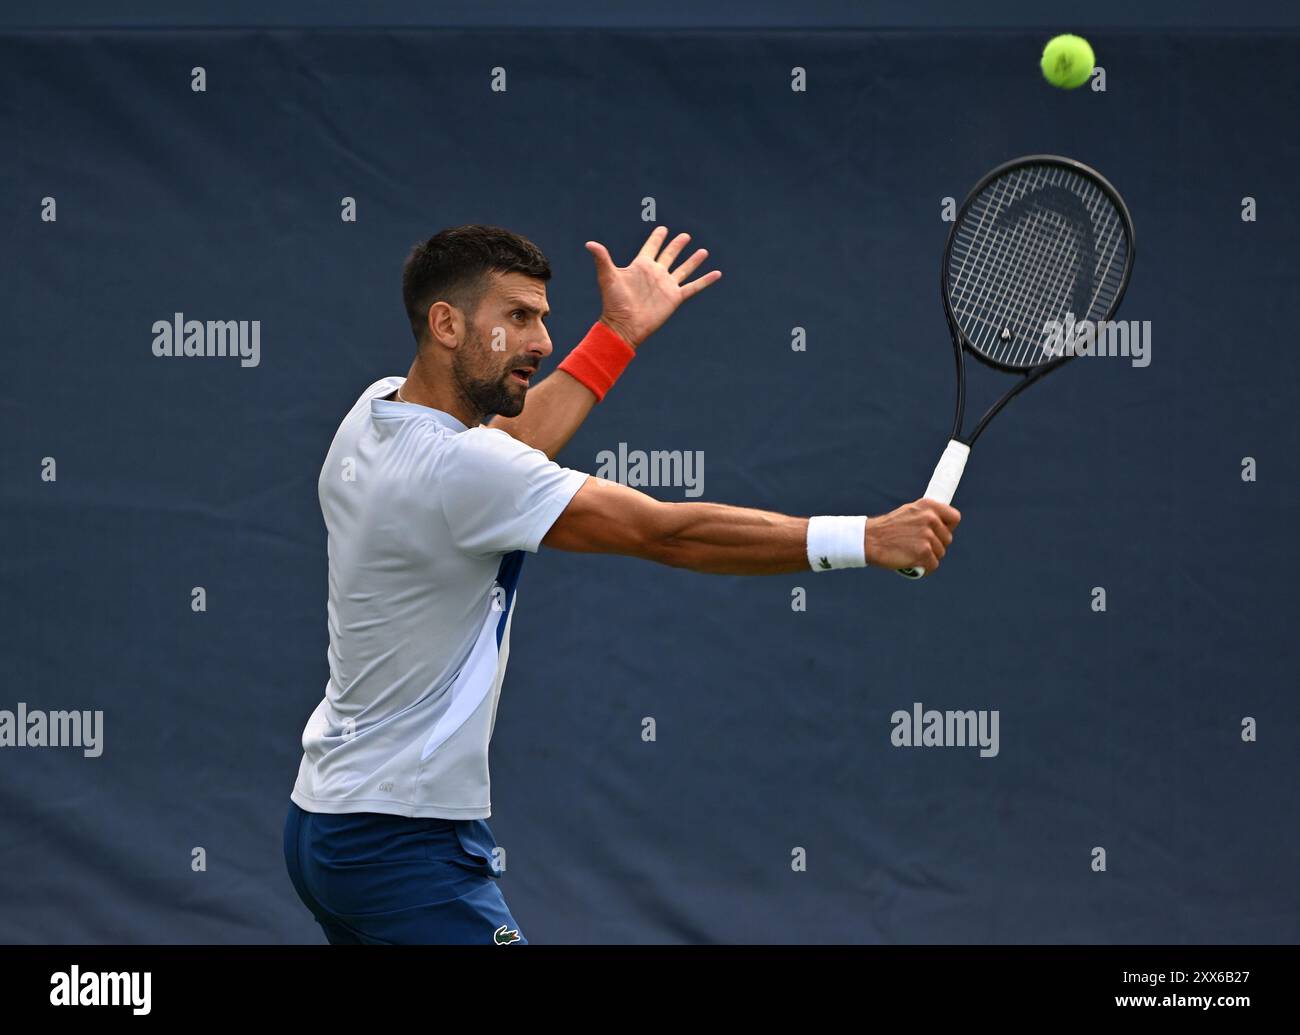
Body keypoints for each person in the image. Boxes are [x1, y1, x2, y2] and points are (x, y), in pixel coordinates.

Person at [283, 224, 960, 945]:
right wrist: (865, 538)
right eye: (519, 317)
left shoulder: (375, 412)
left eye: (543, 317)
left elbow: (511, 449)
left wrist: (617, 333)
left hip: (322, 823)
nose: (543, 340)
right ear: (447, 324)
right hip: (401, 844)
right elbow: (665, 532)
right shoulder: (462, 470)